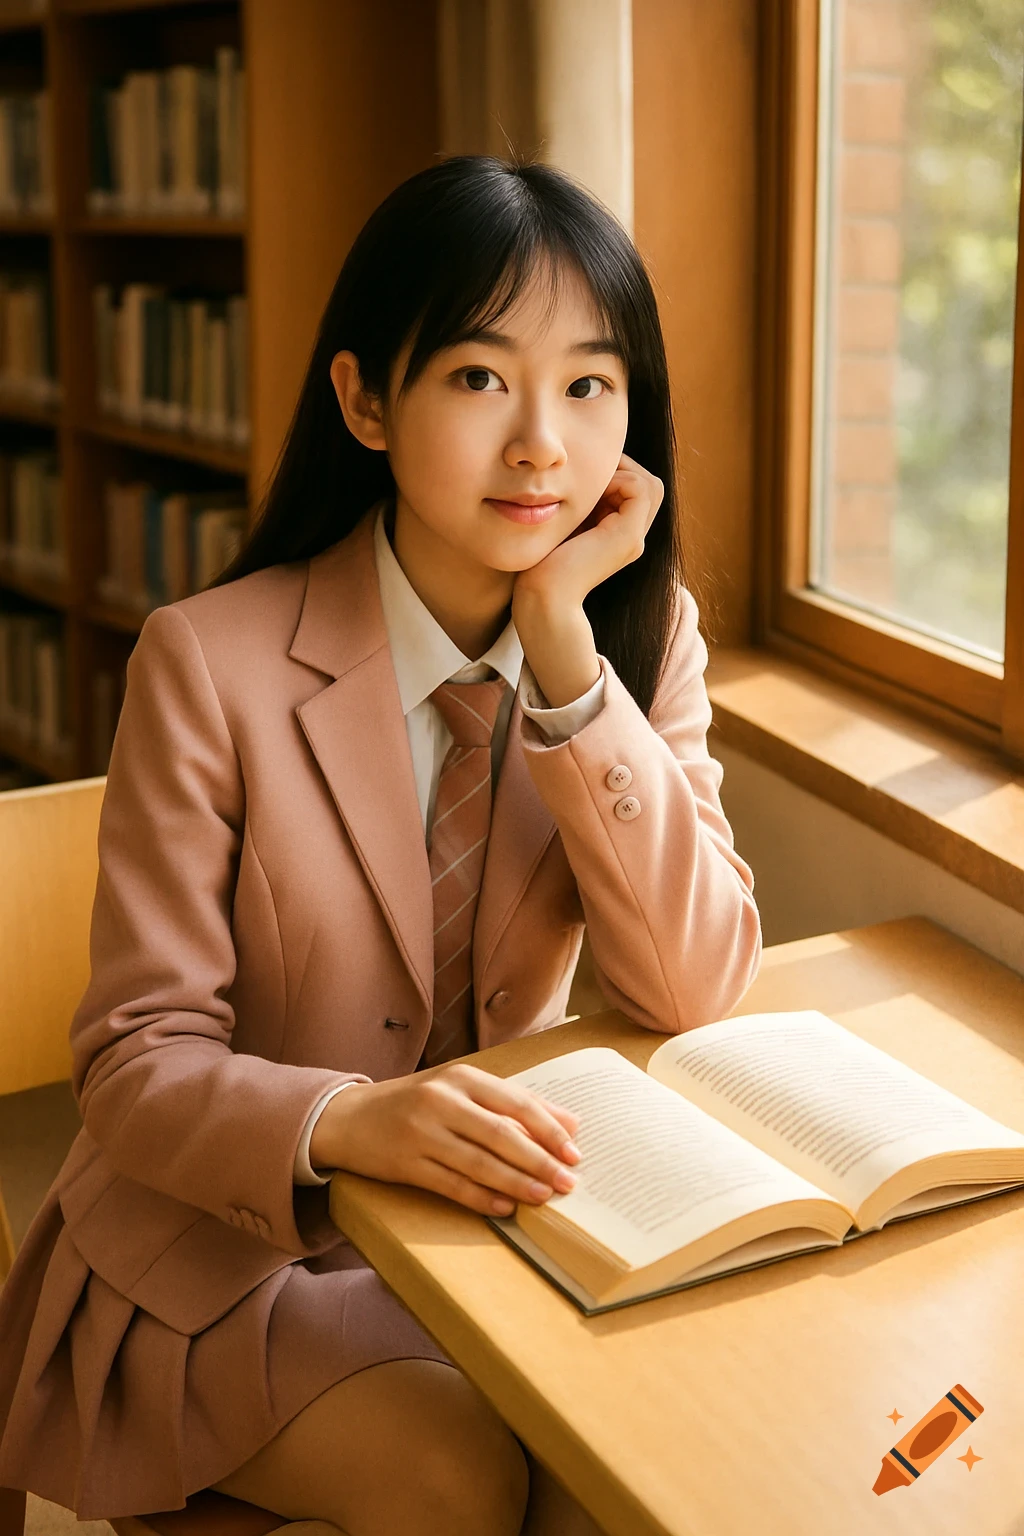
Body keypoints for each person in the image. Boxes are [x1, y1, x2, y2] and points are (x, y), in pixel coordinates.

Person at [0, 153, 762, 1535]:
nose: (542, 444)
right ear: (364, 401)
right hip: (216, 1252)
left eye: (589, 387)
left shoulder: (640, 645)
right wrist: (348, 1119)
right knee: (461, 1477)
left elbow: (694, 987)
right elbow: (133, 1063)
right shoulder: (208, 663)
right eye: (479, 377)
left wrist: (569, 669)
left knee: (650, 1469)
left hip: (480, 1237)